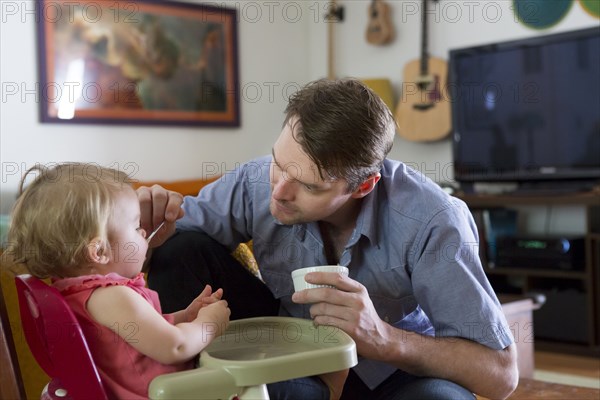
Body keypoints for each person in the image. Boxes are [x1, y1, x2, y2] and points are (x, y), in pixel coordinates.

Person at [138, 78, 519, 400]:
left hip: (389, 373)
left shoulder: (433, 221)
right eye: (279, 163)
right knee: (177, 247)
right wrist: (142, 233)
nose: (278, 192)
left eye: (308, 185)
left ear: (363, 185)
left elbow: (500, 374)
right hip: (285, 351)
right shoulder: (258, 182)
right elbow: (160, 255)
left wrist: (384, 338)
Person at [6, 163, 231, 399]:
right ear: (99, 251)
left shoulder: (80, 294)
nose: (144, 232)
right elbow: (175, 347)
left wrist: (186, 316)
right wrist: (208, 324)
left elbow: (136, 339)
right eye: (135, 227)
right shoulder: (111, 296)